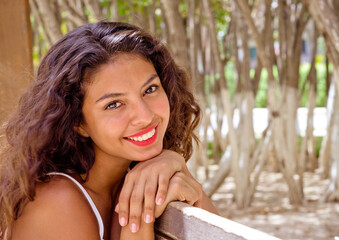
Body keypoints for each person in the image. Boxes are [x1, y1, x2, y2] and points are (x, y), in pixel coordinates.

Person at [0, 21, 218, 240]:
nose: (144, 116)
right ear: (78, 122)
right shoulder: (56, 201)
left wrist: (175, 163)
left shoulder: (134, 177)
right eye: (114, 104)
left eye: (150, 89)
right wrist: (139, 222)